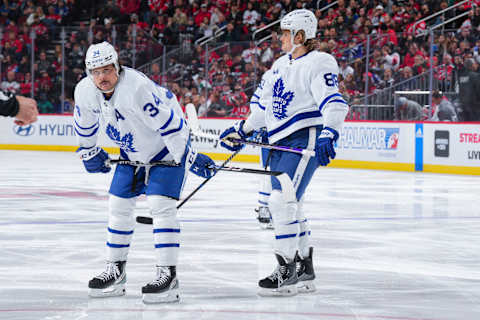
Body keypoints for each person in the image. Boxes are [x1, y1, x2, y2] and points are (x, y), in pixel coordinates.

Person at [219, 9, 349, 296]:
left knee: (280, 202)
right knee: (292, 205)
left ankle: (286, 269)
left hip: (304, 139)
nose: (281, 38)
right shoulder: (279, 64)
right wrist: (242, 130)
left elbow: (334, 103)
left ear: (301, 35)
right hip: (282, 142)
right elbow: (264, 108)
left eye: (286, 33)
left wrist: (330, 131)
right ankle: (304, 268)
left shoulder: (320, 62)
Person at [74, 41, 215, 304]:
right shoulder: (85, 91)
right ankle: (115, 271)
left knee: (161, 207)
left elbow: (172, 126)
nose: (102, 77)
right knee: (117, 206)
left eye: (107, 70)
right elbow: (85, 125)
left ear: (117, 67)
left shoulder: (136, 89)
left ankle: (168, 275)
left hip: (165, 151)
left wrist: (189, 157)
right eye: (96, 72)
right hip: (132, 154)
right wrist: (88, 151)